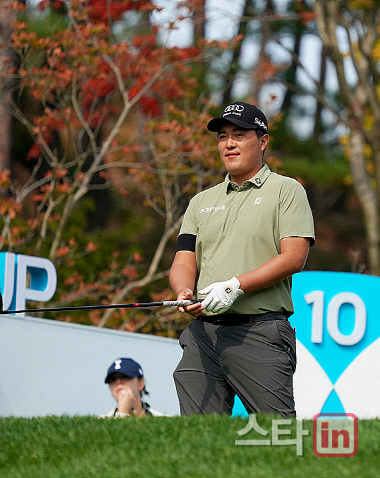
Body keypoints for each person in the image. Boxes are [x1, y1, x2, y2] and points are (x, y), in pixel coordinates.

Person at [169, 101, 315, 417]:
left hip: (259, 331)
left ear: (262, 141)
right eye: (222, 136)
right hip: (203, 335)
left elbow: (293, 257)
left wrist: (236, 285)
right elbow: (184, 260)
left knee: (276, 435)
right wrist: (183, 290)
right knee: (196, 443)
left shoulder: (286, 191)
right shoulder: (201, 202)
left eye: (239, 134)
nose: (229, 144)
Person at [100, 357, 168, 417]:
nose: (118, 382)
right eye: (112, 379)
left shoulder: (164, 419)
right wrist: (122, 412)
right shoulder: (101, 421)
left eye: (125, 377)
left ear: (141, 384)